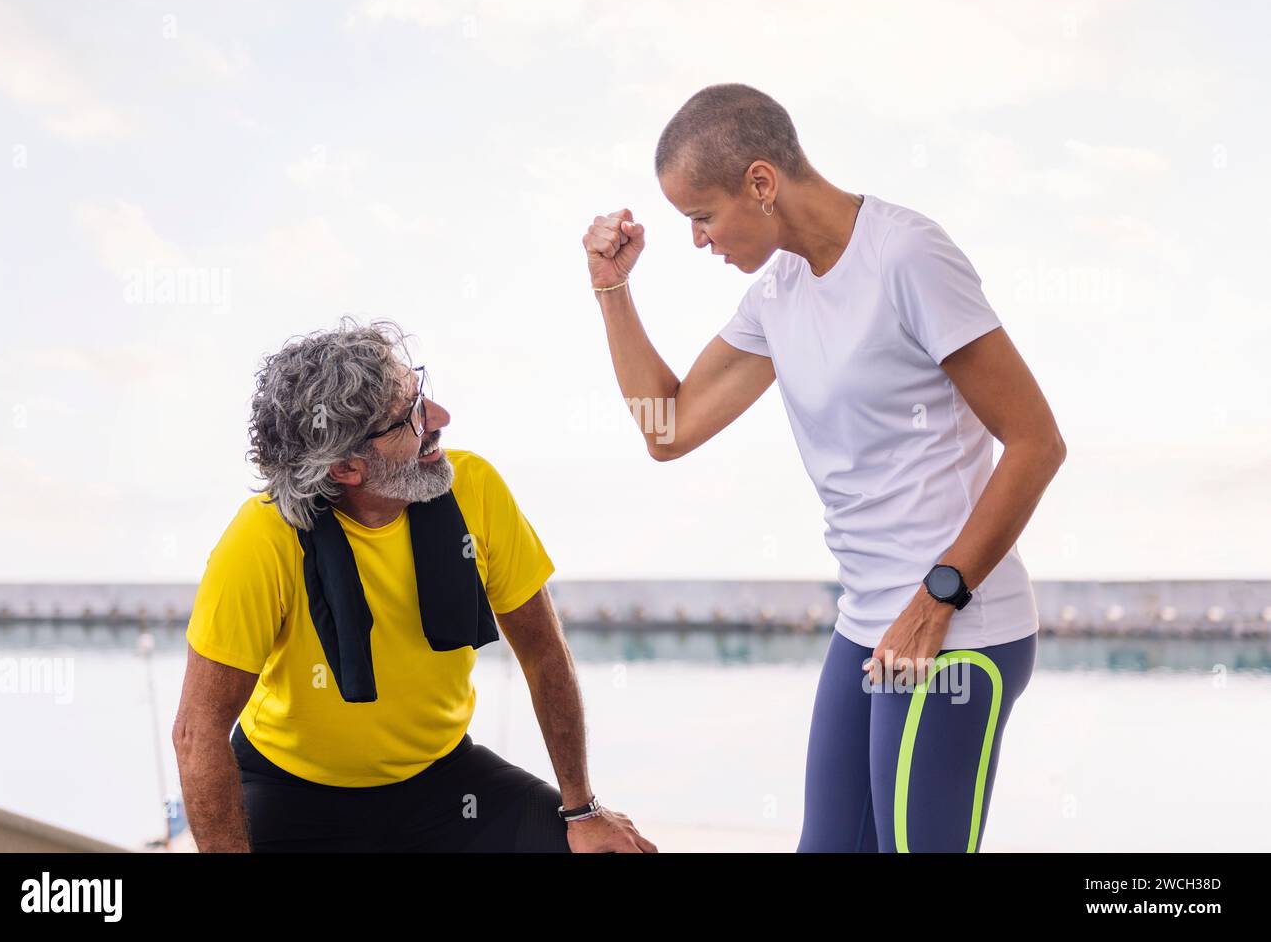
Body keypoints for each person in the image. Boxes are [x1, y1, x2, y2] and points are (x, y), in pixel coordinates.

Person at [582, 83, 1066, 852]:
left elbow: (1038, 442)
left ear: (762, 183)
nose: (699, 241)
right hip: (867, 624)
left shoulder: (905, 255)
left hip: (956, 628)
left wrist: (937, 599)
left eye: (702, 216)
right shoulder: (777, 292)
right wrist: (611, 288)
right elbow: (665, 430)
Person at [172, 317, 655, 853]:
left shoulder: (475, 488)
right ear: (346, 468)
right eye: (408, 420)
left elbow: (543, 652)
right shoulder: (261, 538)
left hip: (442, 782)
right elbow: (198, 732)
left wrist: (582, 808)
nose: (440, 419)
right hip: (291, 791)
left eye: (420, 397)